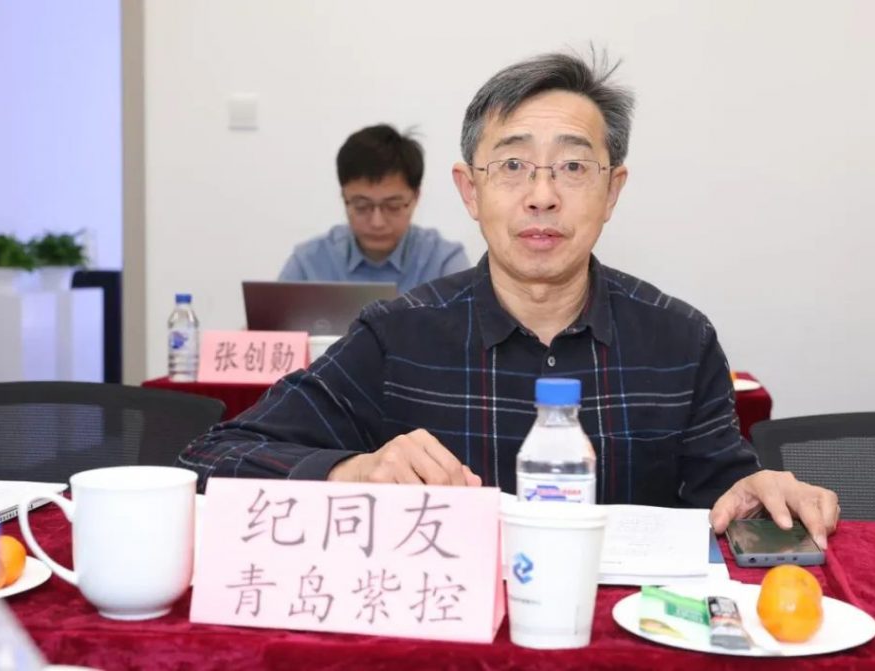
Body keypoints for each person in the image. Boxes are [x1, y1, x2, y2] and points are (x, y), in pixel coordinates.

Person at [182, 52, 840, 548]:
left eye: (574, 167)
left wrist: (758, 492)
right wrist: (353, 470)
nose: (542, 196)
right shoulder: (396, 336)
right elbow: (212, 458)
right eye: (514, 166)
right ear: (470, 191)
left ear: (613, 191)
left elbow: (726, 497)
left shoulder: (679, 340)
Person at [278, 124, 470, 293]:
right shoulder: (308, 263)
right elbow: (270, 322)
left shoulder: (443, 262)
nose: (377, 222)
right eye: (362, 206)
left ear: (415, 197)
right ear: (344, 197)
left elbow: (469, 321)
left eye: (393, 206)